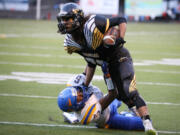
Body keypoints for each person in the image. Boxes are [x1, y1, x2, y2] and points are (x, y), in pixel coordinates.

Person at [57, 2, 157, 135]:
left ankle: (147, 124)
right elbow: (91, 61)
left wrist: (119, 37)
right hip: (106, 65)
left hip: (119, 58)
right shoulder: (71, 43)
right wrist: (86, 84)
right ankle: (133, 110)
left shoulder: (93, 25)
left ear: (77, 18)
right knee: (121, 95)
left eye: (67, 19)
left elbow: (121, 20)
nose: (64, 23)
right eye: (62, 19)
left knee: (128, 91)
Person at [57, 73, 144, 130]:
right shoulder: (86, 112)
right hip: (109, 119)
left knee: (123, 93)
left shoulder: (79, 88)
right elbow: (112, 94)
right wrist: (108, 76)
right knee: (142, 124)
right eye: (79, 97)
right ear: (76, 106)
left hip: (109, 105)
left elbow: (87, 71)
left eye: (78, 91)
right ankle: (127, 114)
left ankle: (73, 117)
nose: (81, 94)